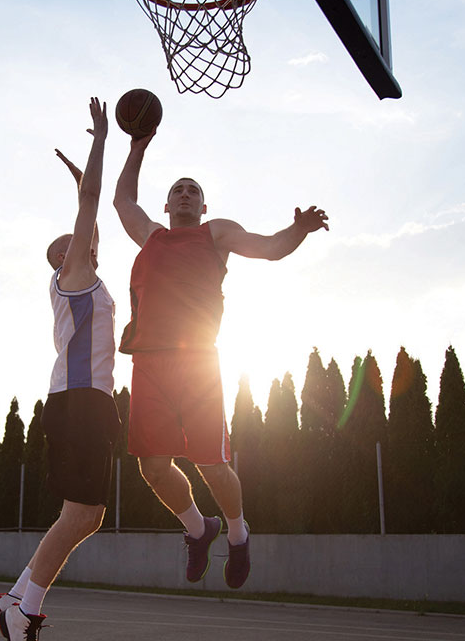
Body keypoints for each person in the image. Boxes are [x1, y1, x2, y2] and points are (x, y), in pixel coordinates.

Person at [113, 132, 328, 590]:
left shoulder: (217, 233)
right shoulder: (150, 236)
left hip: (198, 362)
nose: (185, 194)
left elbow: (269, 247)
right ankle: (198, 529)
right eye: (177, 190)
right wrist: (138, 145)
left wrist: (299, 231)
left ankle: (236, 533)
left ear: (203, 207)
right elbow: (122, 199)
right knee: (151, 467)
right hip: (149, 361)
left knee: (210, 463)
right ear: (167, 206)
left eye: (194, 190)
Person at [0, 97, 120, 641]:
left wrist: (80, 188)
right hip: (79, 403)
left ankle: (13, 601)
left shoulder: (88, 277)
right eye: (69, 241)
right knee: (86, 510)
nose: (83, 240)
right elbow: (92, 208)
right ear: (61, 260)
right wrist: (100, 141)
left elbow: (91, 216)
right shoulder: (73, 278)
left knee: (86, 514)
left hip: (89, 404)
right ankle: (24, 608)